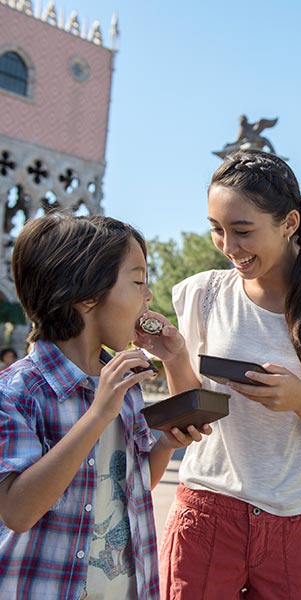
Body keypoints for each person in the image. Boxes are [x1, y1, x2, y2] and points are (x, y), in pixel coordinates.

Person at [136, 149, 301, 600]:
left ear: (289, 223)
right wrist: (173, 359)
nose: (229, 247)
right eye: (217, 230)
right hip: (207, 512)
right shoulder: (202, 295)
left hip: (298, 519)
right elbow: (195, 418)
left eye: (243, 231)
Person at [0, 214, 208, 599]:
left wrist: (165, 444)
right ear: (87, 295)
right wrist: (97, 415)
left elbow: (129, 484)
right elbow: (17, 511)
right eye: (138, 280)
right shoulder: (18, 391)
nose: (148, 296)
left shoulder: (125, 385)